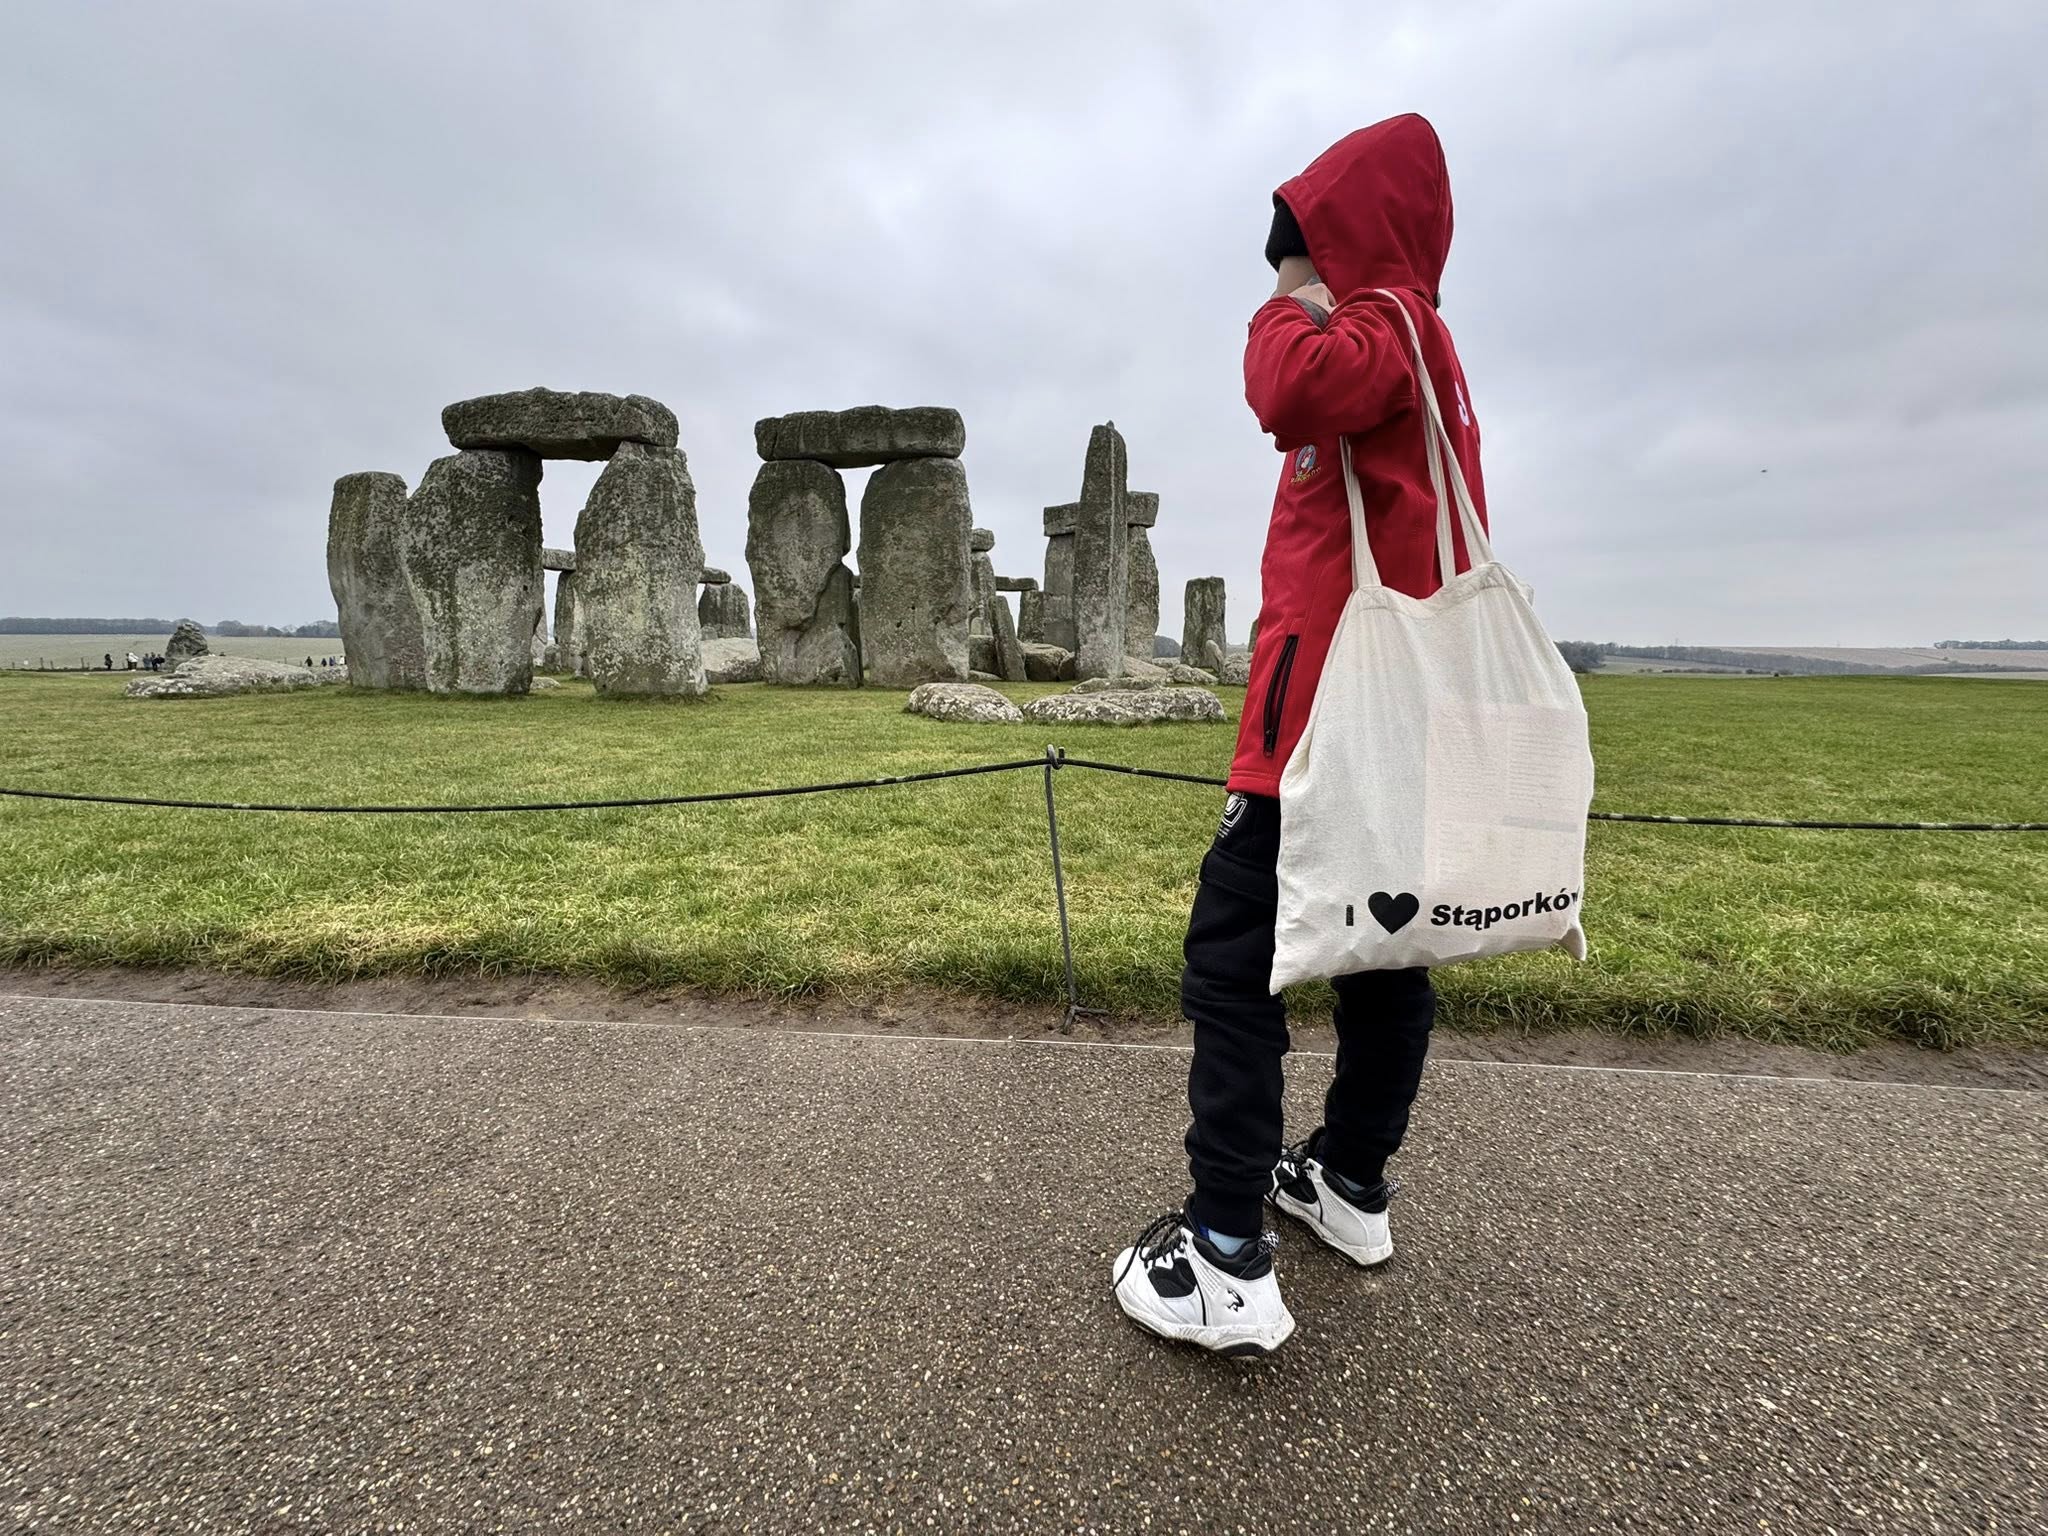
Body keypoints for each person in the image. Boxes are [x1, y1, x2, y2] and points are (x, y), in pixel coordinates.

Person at [1112, 114, 1490, 1356]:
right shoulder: (1425, 348)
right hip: (1395, 721)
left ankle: (1223, 1257)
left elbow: (1283, 384)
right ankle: (1346, 1181)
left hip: (1320, 721)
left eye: (1303, 243)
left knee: (1232, 964)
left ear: (1345, 238)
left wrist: (1290, 296)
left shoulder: (1377, 324)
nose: (1291, 270)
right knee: (1383, 950)